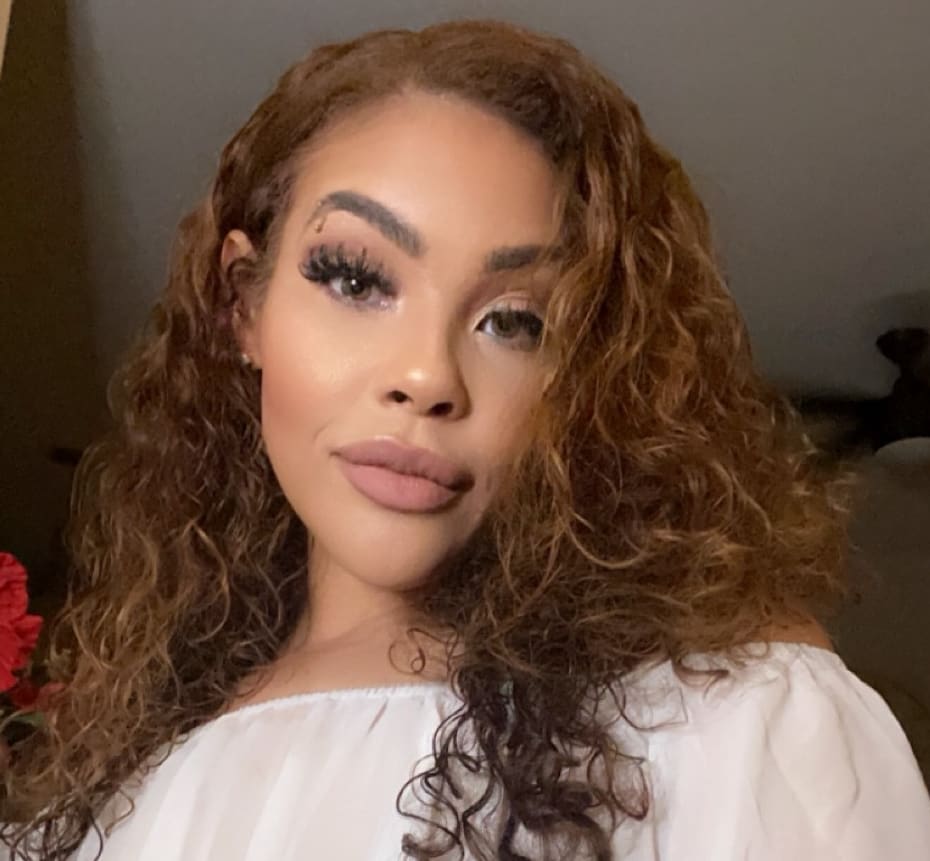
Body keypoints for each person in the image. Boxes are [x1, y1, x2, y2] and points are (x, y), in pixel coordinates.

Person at [2, 18, 929, 861]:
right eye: (356, 278)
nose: (428, 375)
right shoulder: (99, 796)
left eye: (516, 321)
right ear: (243, 304)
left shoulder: (724, 722)